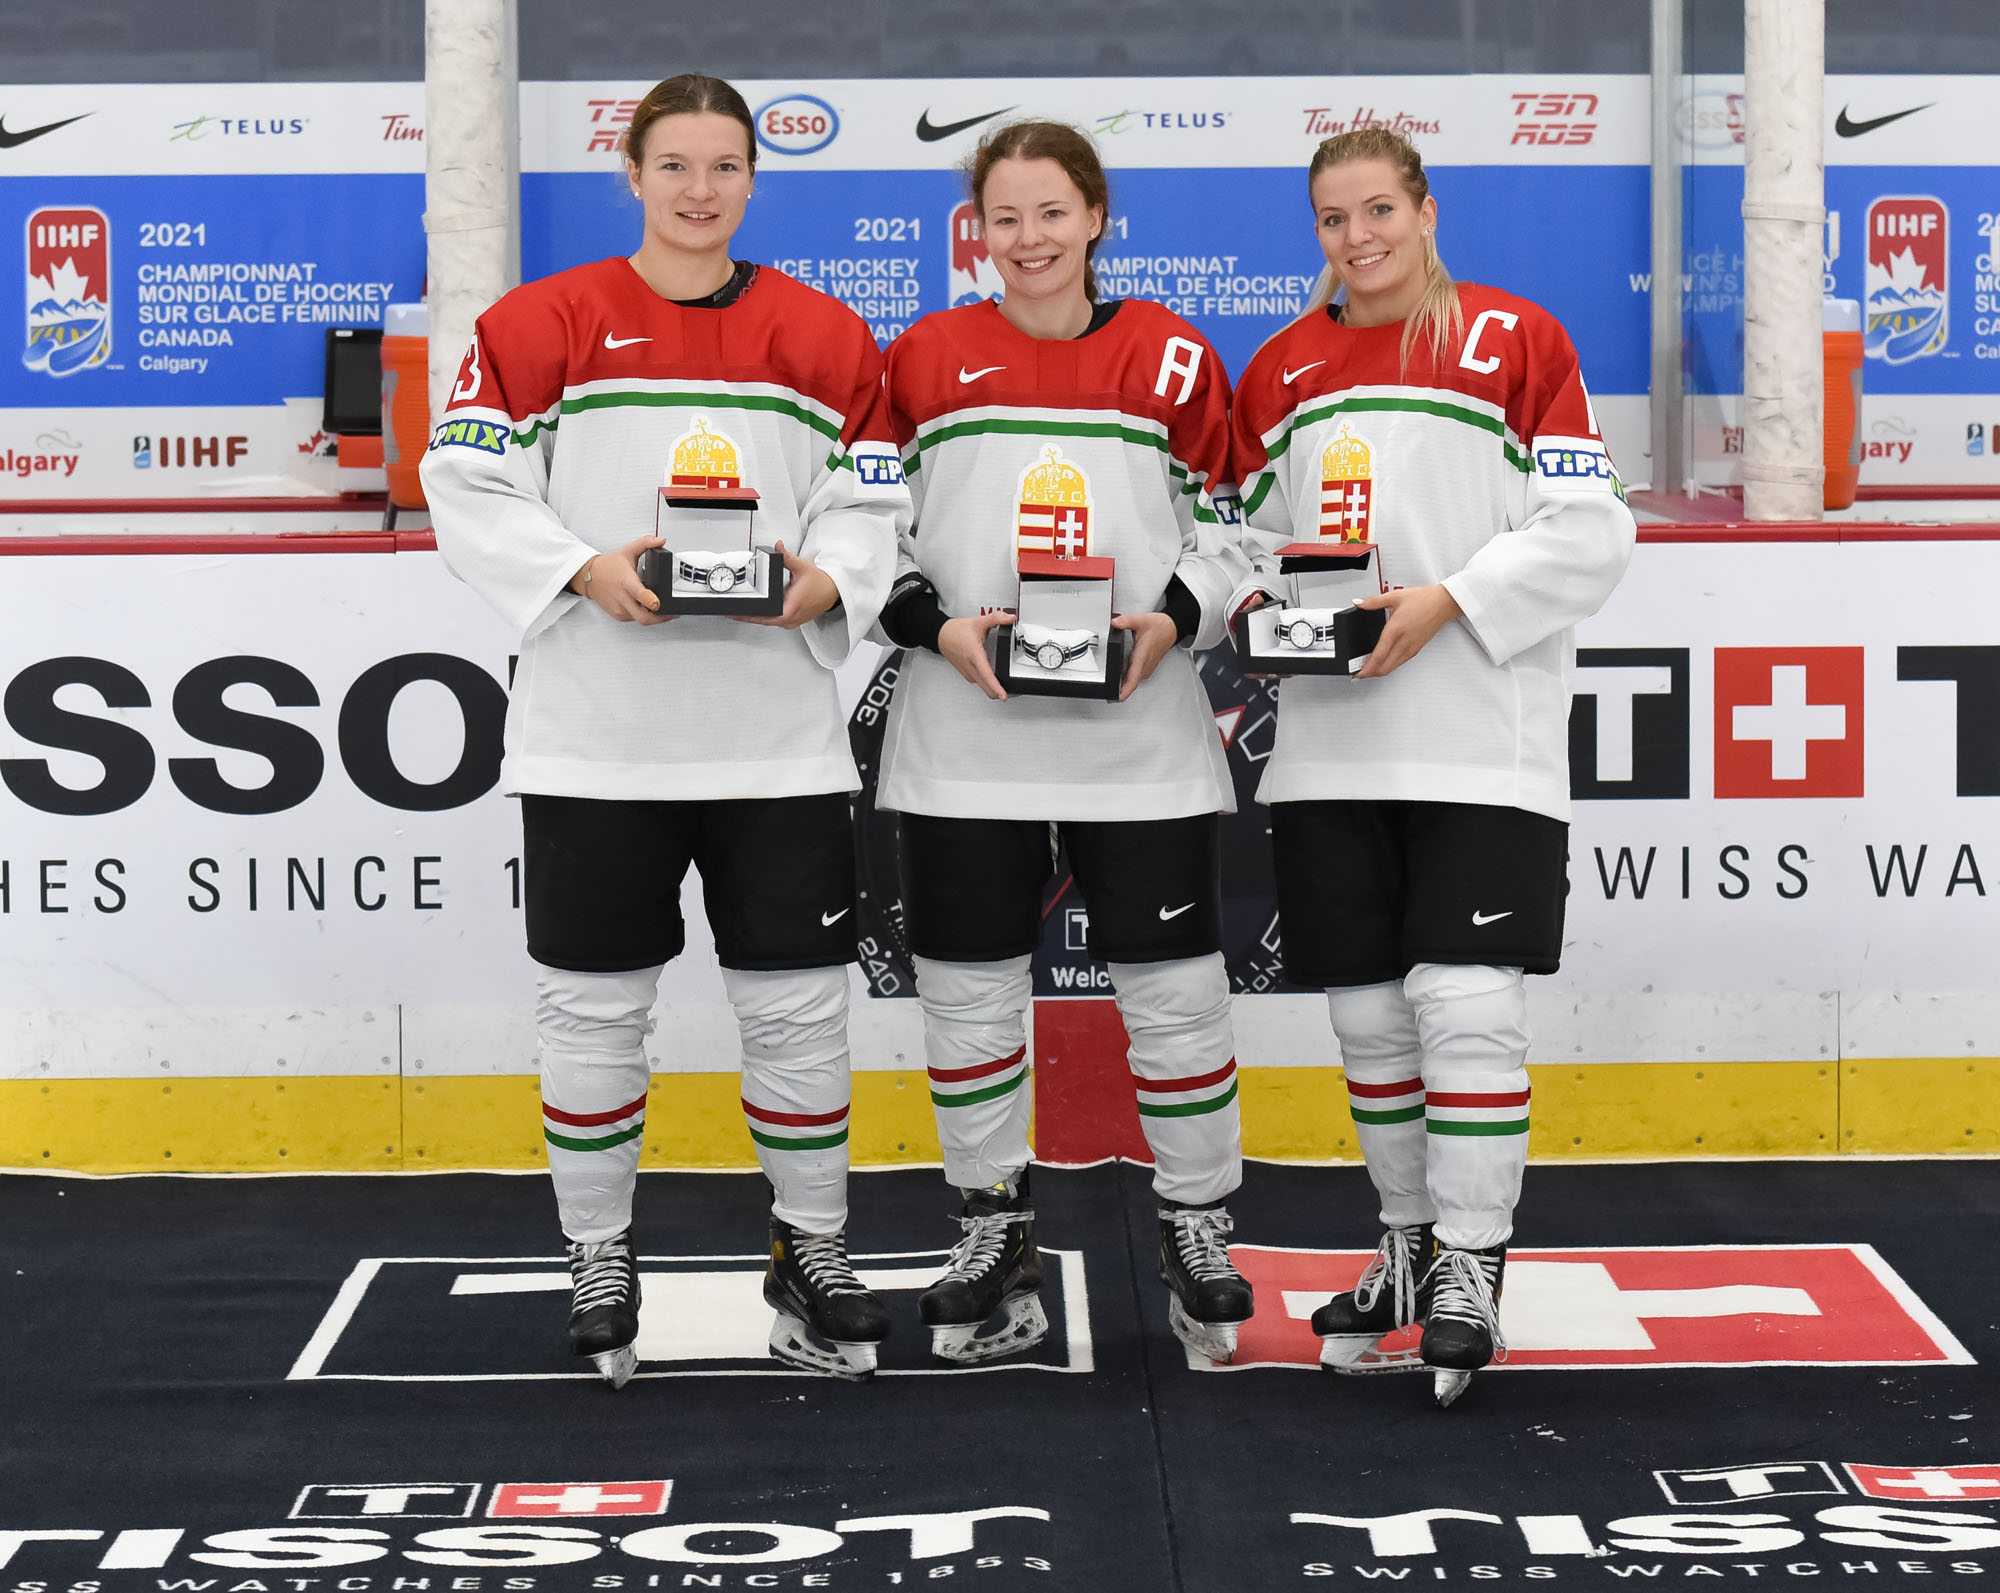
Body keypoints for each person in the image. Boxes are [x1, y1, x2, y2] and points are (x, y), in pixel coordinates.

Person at [419, 73, 911, 1386]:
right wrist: (580, 567)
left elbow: (871, 499)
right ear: (630, 175)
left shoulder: (822, 332)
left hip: (774, 743)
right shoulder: (539, 323)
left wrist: (829, 580)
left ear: (754, 178)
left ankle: (812, 1247)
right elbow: (462, 475)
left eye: (725, 166)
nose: (701, 190)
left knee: (798, 1015)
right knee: (591, 1014)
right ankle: (598, 1253)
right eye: (676, 165)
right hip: (596, 742)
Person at [1228, 127, 1636, 1406]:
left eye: (1376, 210)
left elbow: (1589, 528)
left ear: (1423, 209)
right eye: (1331, 218)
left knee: (1462, 1003)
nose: (1357, 237)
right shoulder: (1280, 368)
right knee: (1367, 1019)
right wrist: (1253, 610)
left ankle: (1470, 1261)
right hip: (1329, 748)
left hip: (1477, 740)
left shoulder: (1516, 340)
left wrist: (1448, 599)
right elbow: (1241, 541)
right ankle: (1405, 1249)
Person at [874, 121, 1256, 1365]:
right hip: (963, 739)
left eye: (1051, 213)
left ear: (1095, 216)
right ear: (974, 231)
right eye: (1004, 217)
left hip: (1136, 738)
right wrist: (932, 628)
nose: (1027, 239)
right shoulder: (920, 359)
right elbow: (865, 531)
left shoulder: (1174, 359)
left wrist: (1177, 617)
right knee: (968, 997)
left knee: (1177, 999)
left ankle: (1197, 1227)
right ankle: (992, 1232)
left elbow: (1237, 526)